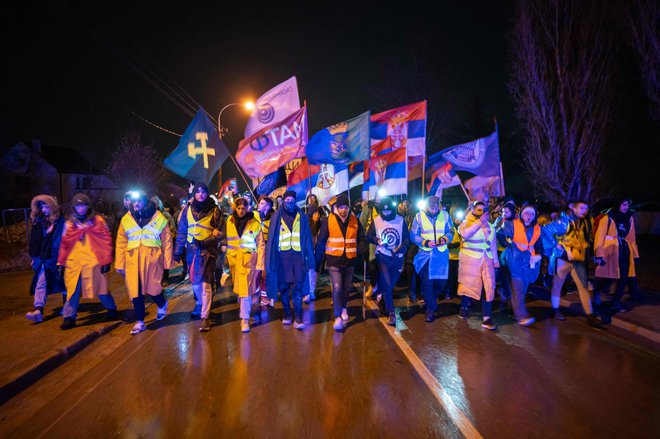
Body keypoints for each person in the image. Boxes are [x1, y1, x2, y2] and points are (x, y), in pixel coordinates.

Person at [115, 191, 173, 335]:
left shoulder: (158, 217)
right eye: (134, 202)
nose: (136, 204)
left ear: (145, 201)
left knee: (153, 289)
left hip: (152, 260)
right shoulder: (126, 219)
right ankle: (140, 321)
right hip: (133, 261)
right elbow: (121, 242)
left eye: (139, 201)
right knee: (136, 292)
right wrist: (119, 264)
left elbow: (167, 241)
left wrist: (167, 262)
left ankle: (162, 303)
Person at [56, 193, 117, 330]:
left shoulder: (98, 221)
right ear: (74, 207)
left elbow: (106, 241)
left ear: (88, 206)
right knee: (72, 292)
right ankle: (69, 317)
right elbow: (64, 245)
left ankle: (111, 309)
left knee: (102, 289)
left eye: (84, 205)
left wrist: (106, 260)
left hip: (94, 262)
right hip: (74, 264)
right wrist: (60, 263)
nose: (81, 208)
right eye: (78, 205)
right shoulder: (69, 224)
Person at [174, 183, 224, 332]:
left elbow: (221, 232)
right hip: (191, 251)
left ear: (207, 194)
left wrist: (206, 241)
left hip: (208, 252)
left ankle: (205, 316)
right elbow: (182, 232)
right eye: (198, 192)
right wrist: (177, 251)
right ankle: (201, 305)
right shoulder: (187, 210)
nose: (200, 194)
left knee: (206, 285)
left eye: (203, 192)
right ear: (194, 194)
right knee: (195, 283)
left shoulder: (215, 210)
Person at [545, 200, 602, 327]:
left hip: (578, 258)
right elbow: (546, 230)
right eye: (581, 208)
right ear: (573, 208)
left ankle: (590, 315)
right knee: (557, 285)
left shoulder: (585, 221)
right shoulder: (563, 221)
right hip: (564, 258)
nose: (584, 211)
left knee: (582, 285)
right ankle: (555, 309)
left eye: (586, 208)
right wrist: (556, 244)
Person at [265, 190, 315, 330]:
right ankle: (287, 314)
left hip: (298, 259)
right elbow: (271, 240)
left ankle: (298, 317)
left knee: (297, 289)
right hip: (282, 259)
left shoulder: (302, 217)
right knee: (284, 289)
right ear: (283, 201)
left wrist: (310, 258)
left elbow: (307, 239)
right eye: (287, 200)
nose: (289, 203)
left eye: (292, 200)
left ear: (295, 201)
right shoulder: (276, 217)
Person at [315, 194, 366, 331]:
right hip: (334, 260)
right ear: (336, 207)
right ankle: (337, 316)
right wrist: (317, 259)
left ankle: (344, 307)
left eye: (346, 207)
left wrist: (362, 247)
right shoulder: (329, 220)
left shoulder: (355, 220)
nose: (343, 210)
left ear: (349, 208)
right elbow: (321, 240)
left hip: (349, 260)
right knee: (337, 287)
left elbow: (361, 237)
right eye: (341, 207)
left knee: (346, 288)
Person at [366, 197, 410, 326]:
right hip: (383, 257)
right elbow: (368, 236)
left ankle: (382, 296)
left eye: (388, 211)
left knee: (390, 284)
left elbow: (407, 239)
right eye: (383, 211)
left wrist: (402, 249)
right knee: (388, 284)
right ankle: (391, 312)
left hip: (398, 257)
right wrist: (377, 240)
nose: (386, 214)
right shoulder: (376, 221)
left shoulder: (400, 221)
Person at [410, 196, 454, 322]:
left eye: (435, 206)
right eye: (431, 206)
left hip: (440, 255)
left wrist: (446, 239)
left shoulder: (445, 215)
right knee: (427, 283)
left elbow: (451, 230)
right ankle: (430, 309)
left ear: (438, 205)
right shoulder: (418, 217)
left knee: (441, 283)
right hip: (425, 256)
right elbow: (413, 235)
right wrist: (425, 242)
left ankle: (431, 300)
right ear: (427, 206)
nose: (433, 208)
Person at [498, 204, 543, 326]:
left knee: (522, 289)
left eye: (532, 214)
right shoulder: (512, 224)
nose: (529, 216)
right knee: (517, 288)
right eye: (527, 213)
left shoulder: (537, 229)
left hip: (529, 262)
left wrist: (538, 255)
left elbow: (539, 245)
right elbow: (500, 234)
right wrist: (509, 245)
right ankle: (521, 316)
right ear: (522, 214)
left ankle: (513, 309)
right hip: (515, 260)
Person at [457, 201, 499, 331]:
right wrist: (479, 222)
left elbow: (493, 245)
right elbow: (466, 234)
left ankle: (487, 317)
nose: (481, 212)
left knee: (488, 287)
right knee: (468, 286)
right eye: (478, 210)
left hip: (487, 261)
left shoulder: (490, 227)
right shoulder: (465, 224)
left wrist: (495, 260)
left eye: (483, 210)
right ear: (473, 210)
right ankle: (464, 308)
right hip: (470, 261)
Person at [593, 197, 640, 313]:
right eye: (623, 205)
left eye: (627, 205)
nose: (626, 207)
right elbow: (599, 236)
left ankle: (616, 301)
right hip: (611, 251)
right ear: (618, 204)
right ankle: (597, 292)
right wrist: (599, 254)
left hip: (624, 251)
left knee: (623, 278)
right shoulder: (608, 218)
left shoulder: (629, 219)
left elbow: (632, 238)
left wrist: (635, 255)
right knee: (608, 277)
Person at [226, 197, 265, 333]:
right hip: (234, 262)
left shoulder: (255, 223)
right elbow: (229, 241)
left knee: (245, 291)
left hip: (249, 262)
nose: (241, 210)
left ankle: (245, 319)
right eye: (239, 208)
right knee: (240, 292)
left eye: (244, 208)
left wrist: (260, 264)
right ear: (235, 208)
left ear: (248, 207)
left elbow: (260, 244)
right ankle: (247, 310)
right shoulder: (229, 222)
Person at [25, 195, 66, 323]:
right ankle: (38, 310)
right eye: (42, 207)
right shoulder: (38, 222)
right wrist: (35, 257)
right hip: (44, 258)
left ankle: (67, 306)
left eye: (47, 206)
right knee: (41, 283)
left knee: (64, 283)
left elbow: (63, 239)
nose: (44, 210)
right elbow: (35, 240)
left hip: (58, 257)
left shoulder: (60, 221)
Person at [151, 195, 177, 287]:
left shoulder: (165, 215)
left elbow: (172, 228)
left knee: (165, 261)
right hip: (154, 242)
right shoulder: (150, 215)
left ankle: (165, 278)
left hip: (164, 242)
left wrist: (169, 239)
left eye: (156, 203)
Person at [254, 196, 275, 306]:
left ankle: (264, 296)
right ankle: (256, 295)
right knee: (256, 273)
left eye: (262, 203)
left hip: (268, 248)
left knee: (265, 274)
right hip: (256, 248)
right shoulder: (254, 216)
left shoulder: (273, 218)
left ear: (268, 206)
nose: (259, 205)